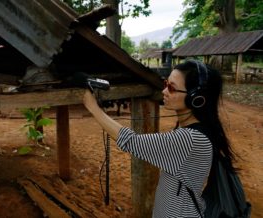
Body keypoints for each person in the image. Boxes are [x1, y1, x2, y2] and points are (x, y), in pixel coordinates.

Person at [82, 60, 235, 217]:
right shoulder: (198, 130)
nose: (164, 91)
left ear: (195, 98)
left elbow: (131, 142)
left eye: (172, 88)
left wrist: (93, 108)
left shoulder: (191, 139)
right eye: (166, 83)